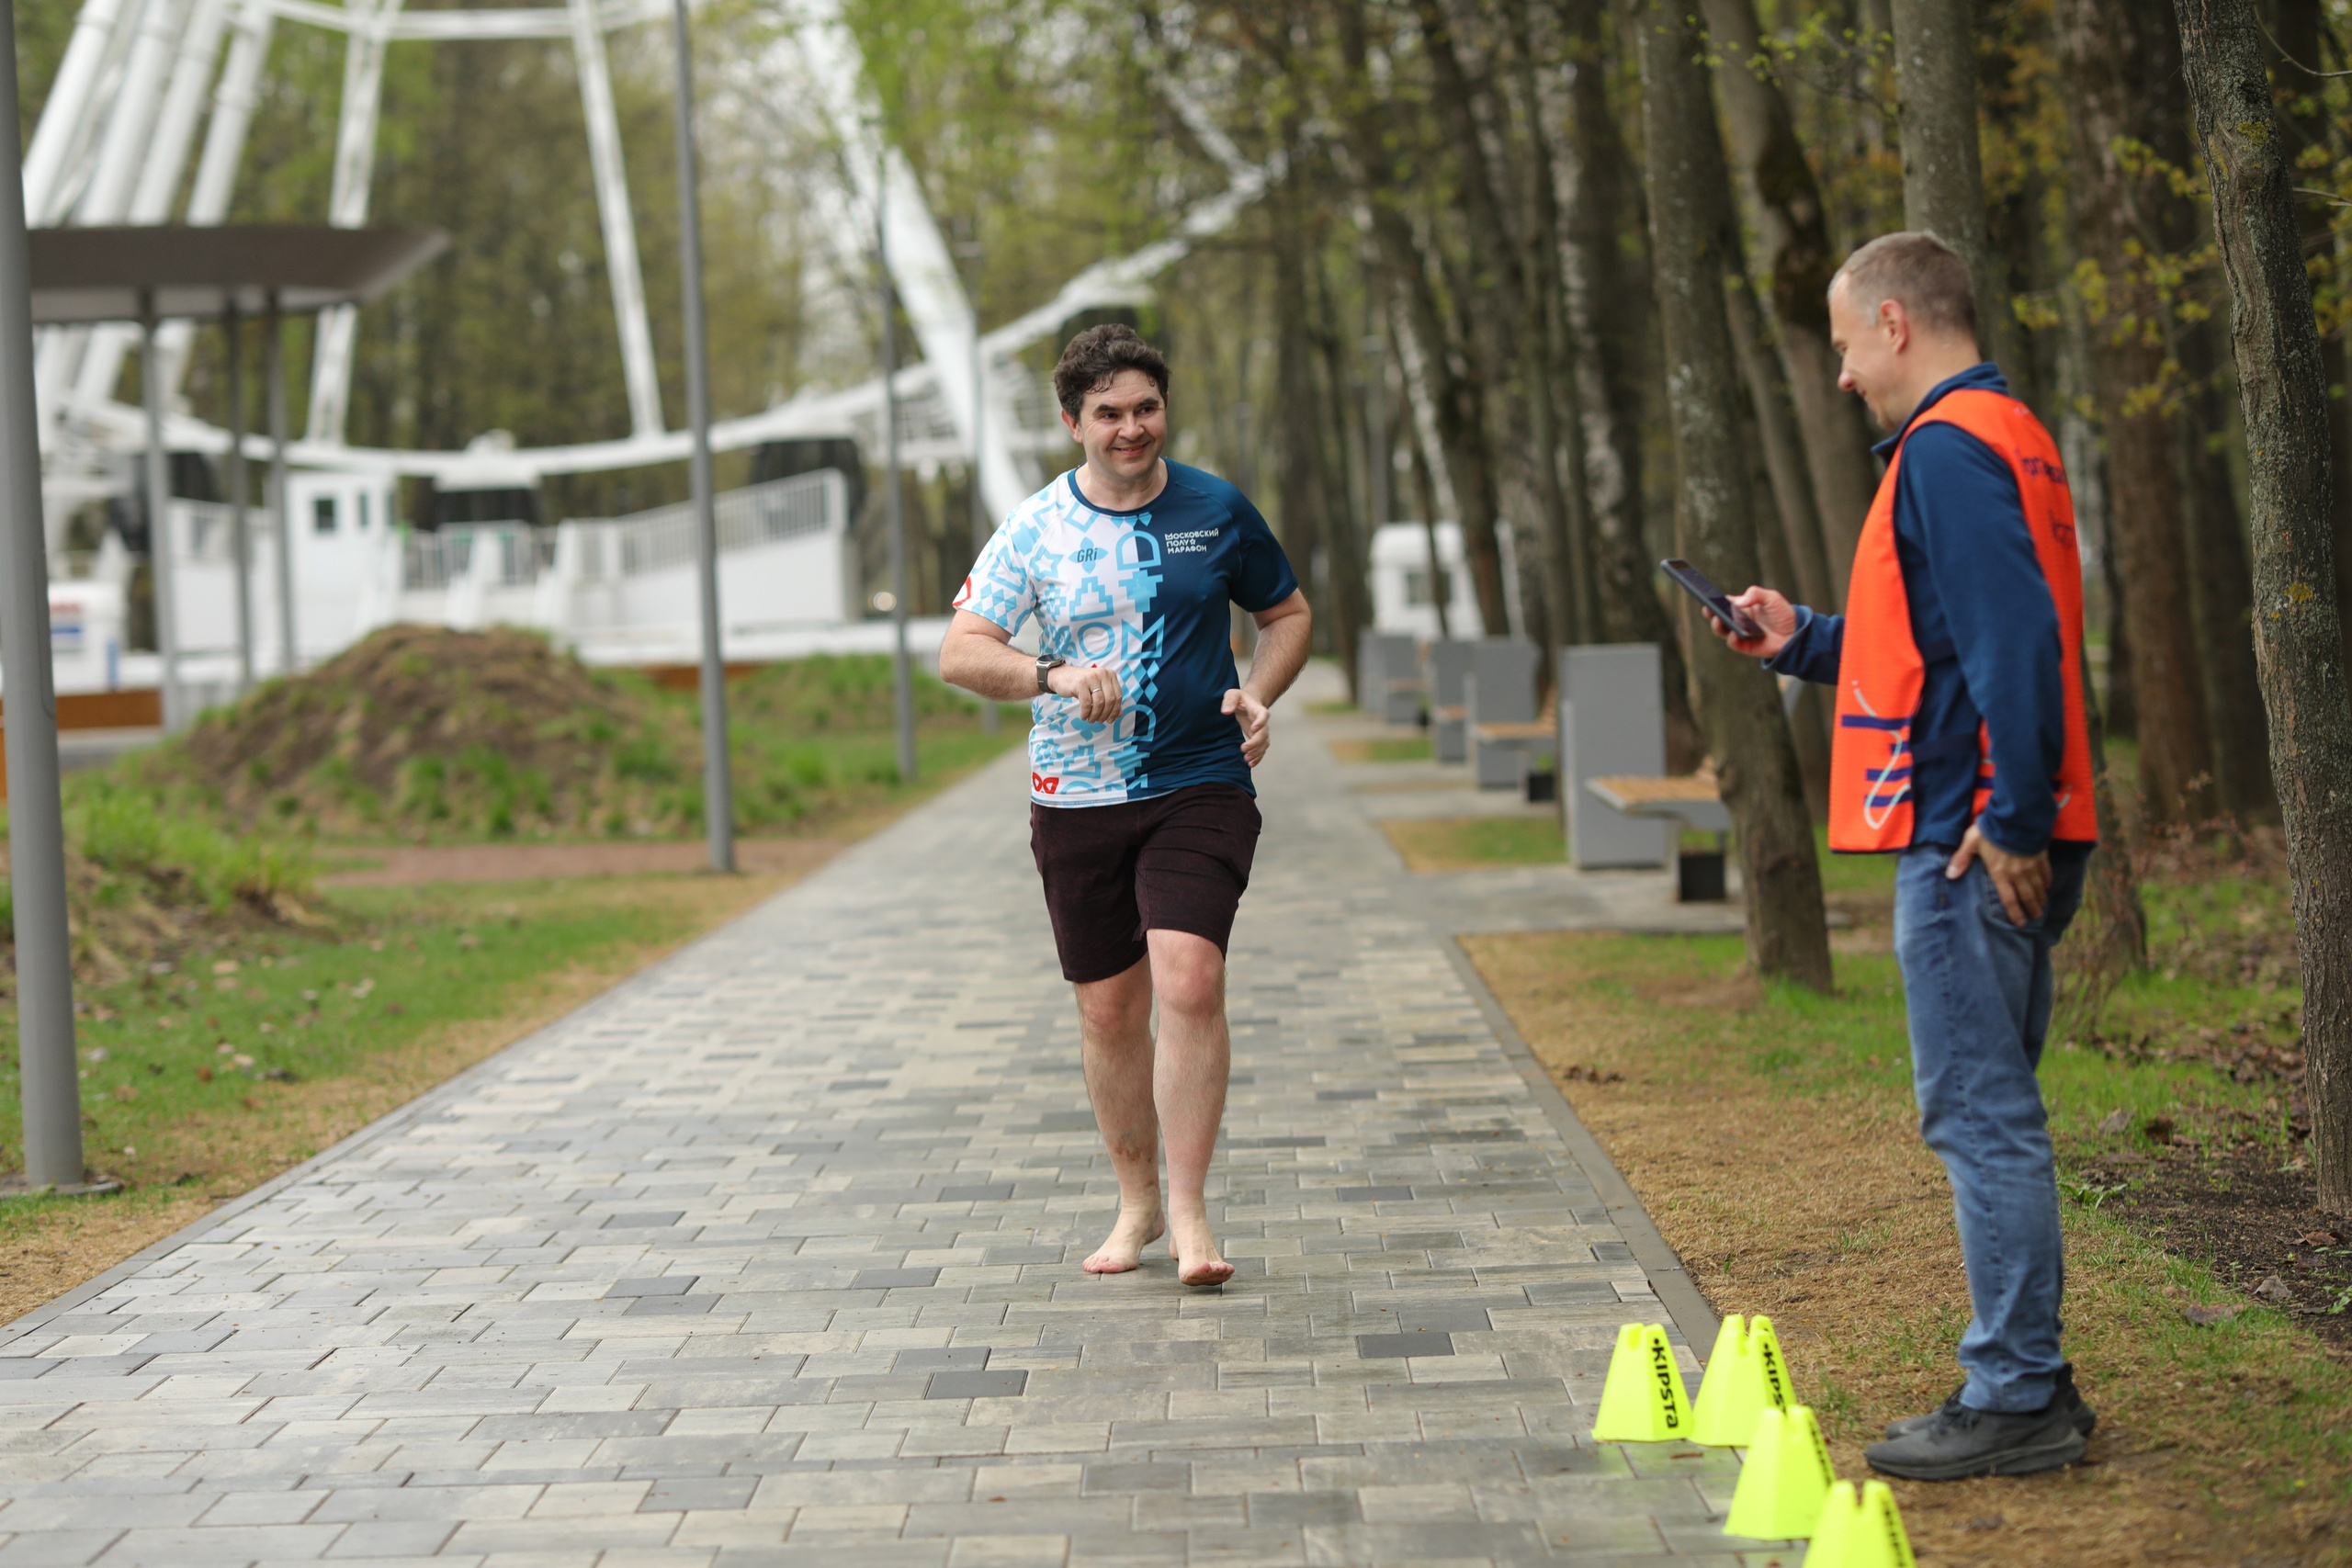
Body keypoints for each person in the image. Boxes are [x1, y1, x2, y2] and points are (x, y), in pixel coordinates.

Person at [1707, 232, 2099, 1481]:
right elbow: (1932, 640)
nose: (1836, 376)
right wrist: (1802, 638)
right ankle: (2029, 1373)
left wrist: (2015, 821)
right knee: (1994, 1111)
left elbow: (2014, 640)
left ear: (1892, 324)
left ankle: (2017, 1390)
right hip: (1995, 820)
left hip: (1967, 842)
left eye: (1838, 345)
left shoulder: (1946, 447)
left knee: (1981, 1115)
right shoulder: (2006, 436)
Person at [938, 324, 1312, 1288]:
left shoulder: (1215, 508)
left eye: (1145, 407)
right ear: (1073, 423)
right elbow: (961, 651)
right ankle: (1136, 1202)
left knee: (1188, 979)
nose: (1130, 427)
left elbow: (1288, 613)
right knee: (1109, 1010)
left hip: (1199, 778)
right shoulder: (1032, 528)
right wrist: (1051, 674)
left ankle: (1191, 1217)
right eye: (1108, 413)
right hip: (1074, 796)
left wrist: (1260, 692)